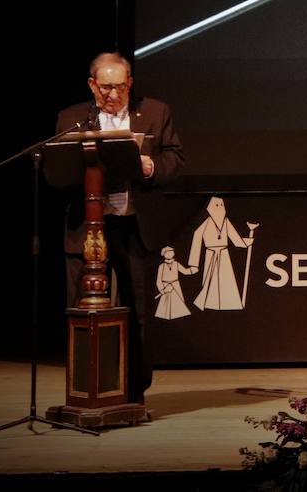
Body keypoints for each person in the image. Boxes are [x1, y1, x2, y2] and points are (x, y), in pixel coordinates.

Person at [56, 51, 185, 403]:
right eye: (104, 88)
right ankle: (87, 390)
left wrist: (149, 166)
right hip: (88, 228)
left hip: (134, 226)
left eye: (118, 87)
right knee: (82, 311)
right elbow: (58, 175)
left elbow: (175, 159)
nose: (112, 95)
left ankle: (133, 393)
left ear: (130, 83)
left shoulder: (156, 112)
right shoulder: (71, 119)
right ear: (92, 85)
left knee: (139, 313)